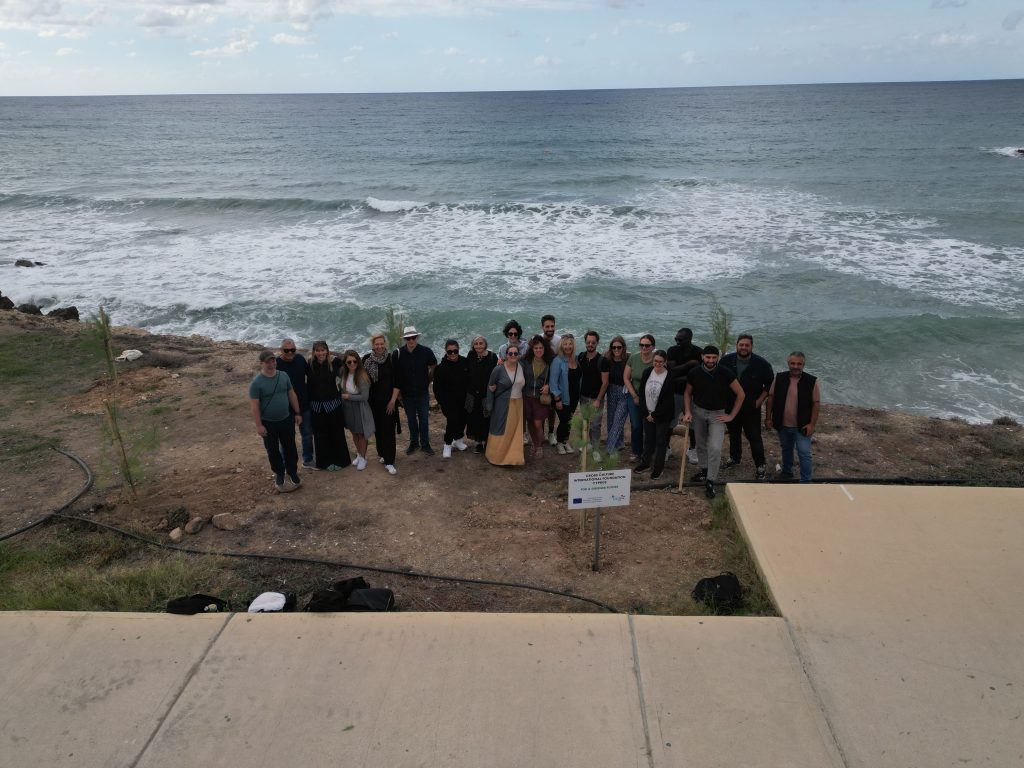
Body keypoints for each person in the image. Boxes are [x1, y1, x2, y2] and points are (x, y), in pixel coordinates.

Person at [683, 345, 745, 499]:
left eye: (713, 357)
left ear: (717, 358)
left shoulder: (725, 373)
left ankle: (711, 480)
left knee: (715, 447)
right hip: (698, 411)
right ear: (702, 357)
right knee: (700, 444)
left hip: (718, 414)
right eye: (708, 357)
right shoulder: (694, 372)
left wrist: (731, 416)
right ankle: (704, 470)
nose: (710, 360)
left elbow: (741, 394)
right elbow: (687, 393)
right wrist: (688, 411)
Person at [719, 334, 774, 480]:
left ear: (751, 347)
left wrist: (760, 400)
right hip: (730, 406)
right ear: (736, 345)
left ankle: (760, 465)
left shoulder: (761, 364)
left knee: (754, 437)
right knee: (734, 434)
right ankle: (734, 458)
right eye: (741, 344)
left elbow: (770, 384)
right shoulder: (725, 361)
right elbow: (719, 380)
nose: (743, 347)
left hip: (751, 407)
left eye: (746, 345)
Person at [248, 350, 303, 493]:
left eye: (273, 360)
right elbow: (254, 405)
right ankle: (279, 473)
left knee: (290, 448)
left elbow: (291, 394)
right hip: (268, 423)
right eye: (268, 361)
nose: (272, 363)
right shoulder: (256, 383)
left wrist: (297, 413)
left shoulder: (283, 376)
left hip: (286, 419)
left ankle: (292, 472)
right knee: (272, 451)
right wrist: (259, 425)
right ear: (262, 363)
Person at [765, 352, 821, 483]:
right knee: (786, 449)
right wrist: (768, 418)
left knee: (804, 453)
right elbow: (771, 398)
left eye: (799, 364)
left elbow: (816, 404)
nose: (795, 366)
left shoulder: (812, 381)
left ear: (803, 364)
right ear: (788, 363)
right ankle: (787, 472)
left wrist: (812, 424)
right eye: (793, 363)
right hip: (782, 424)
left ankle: (806, 481)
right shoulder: (779, 378)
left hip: (802, 426)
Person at [306, 340, 351, 471]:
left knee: (336, 433)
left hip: (333, 405)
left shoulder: (335, 362)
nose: (321, 353)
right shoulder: (310, 364)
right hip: (316, 406)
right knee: (320, 435)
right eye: (318, 350)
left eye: (323, 350)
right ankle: (324, 462)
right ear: (314, 352)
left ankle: (340, 461)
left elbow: (348, 366)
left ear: (327, 350)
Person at [395, 325, 437, 456]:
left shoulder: (426, 351)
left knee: (424, 419)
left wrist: (428, 380)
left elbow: (434, 365)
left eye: (413, 338)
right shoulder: (399, 353)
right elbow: (397, 375)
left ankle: (425, 444)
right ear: (405, 339)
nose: (411, 340)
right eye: (408, 338)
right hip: (407, 394)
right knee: (411, 420)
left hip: (422, 392)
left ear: (417, 337)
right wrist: (399, 394)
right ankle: (414, 443)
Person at [634, 350, 675, 480]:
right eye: (655, 361)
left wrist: (655, 415)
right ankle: (645, 463)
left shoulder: (670, 376)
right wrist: (646, 412)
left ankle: (658, 468)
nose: (657, 363)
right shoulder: (647, 372)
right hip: (647, 413)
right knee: (648, 440)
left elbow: (668, 400)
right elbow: (641, 392)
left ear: (665, 362)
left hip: (662, 415)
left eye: (660, 361)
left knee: (661, 441)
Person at [362, 333, 400, 475]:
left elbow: (398, 382)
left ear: (385, 344)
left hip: (389, 402)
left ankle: (390, 461)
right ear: (373, 345)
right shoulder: (366, 359)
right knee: (378, 430)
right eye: (376, 344)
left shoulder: (391, 359)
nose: (379, 346)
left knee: (388, 431)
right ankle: (383, 454)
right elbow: (361, 379)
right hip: (372, 403)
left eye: (381, 343)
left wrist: (392, 401)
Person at [484, 344, 526, 466]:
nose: (513, 355)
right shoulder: (498, 369)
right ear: (506, 355)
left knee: (515, 432)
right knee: (501, 430)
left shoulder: (521, 366)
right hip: (502, 404)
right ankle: (496, 457)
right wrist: (490, 405)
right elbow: (490, 387)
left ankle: (514, 458)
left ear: (518, 355)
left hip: (518, 403)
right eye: (510, 353)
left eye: (515, 353)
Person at [666, 328, 703, 464]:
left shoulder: (699, 352)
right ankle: (666, 447)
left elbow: (699, 374)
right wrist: (690, 364)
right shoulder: (672, 351)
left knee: (693, 424)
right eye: (676, 338)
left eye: (680, 339)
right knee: (670, 422)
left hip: (693, 394)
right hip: (675, 392)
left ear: (690, 339)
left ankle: (693, 449)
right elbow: (673, 371)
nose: (677, 341)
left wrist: (685, 377)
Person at [276, 338, 314, 468]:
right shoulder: (276, 364)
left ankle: (308, 460)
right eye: (287, 350)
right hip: (285, 408)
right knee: (286, 438)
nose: (290, 352)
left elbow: (311, 375)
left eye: (293, 350)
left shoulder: (300, 359)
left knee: (307, 435)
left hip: (303, 404)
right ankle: (287, 464)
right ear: (281, 350)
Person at [433, 339, 471, 458]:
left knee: (463, 420)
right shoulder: (440, 368)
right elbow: (436, 388)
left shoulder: (465, 362)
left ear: (458, 350)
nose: (453, 353)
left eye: (455, 351)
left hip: (464, 400)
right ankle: (447, 444)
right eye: (450, 352)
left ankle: (458, 441)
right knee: (452, 422)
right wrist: (442, 402)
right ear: (446, 352)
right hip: (448, 402)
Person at [339, 350, 376, 471]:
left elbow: (365, 397)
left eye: (355, 361)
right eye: (349, 361)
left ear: (358, 362)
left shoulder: (362, 376)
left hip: (359, 407)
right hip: (348, 408)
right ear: (345, 363)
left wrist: (348, 397)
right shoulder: (343, 373)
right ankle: (359, 455)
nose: (352, 363)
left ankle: (363, 458)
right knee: (353, 433)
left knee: (361, 434)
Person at [577, 330, 610, 460]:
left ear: (597, 343)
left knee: (596, 424)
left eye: (593, 342)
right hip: (583, 396)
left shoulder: (602, 361)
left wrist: (598, 399)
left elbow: (605, 382)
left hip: (596, 398)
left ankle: (596, 449)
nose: (590, 344)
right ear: (585, 342)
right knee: (585, 422)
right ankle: (586, 444)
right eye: (588, 342)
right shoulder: (580, 357)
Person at [623, 334, 656, 462]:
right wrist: (634, 396)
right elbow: (626, 378)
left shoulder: (657, 360)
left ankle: (649, 452)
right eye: (641, 345)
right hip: (635, 396)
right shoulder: (634, 358)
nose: (644, 347)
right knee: (636, 426)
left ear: (653, 346)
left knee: (649, 426)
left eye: (647, 345)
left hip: (652, 398)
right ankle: (636, 451)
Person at [521, 335, 553, 460]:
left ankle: (539, 445)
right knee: (530, 422)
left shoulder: (550, 362)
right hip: (527, 396)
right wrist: (501, 360)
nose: (538, 350)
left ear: (544, 348)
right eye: (536, 348)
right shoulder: (525, 361)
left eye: (540, 347)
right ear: (532, 349)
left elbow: (556, 379)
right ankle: (535, 444)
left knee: (538, 423)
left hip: (541, 398)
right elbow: (512, 362)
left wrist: (549, 386)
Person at [465, 335, 498, 453]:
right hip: (473, 394)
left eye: (481, 343)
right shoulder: (470, 355)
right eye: (476, 344)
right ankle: (479, 443)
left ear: (485, 344)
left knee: (487, 418)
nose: (478, 346)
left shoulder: (492, 356)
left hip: (487, 393)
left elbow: (497, 373)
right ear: (473, 346)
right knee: (475, 418)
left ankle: (488, 442)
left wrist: (495, 386)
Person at [550, 334, 581, 455]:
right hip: (562, 398)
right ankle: (559, 442)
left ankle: (565, 441)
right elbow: (553, 382)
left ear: (573, 345)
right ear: (561, 346)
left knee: (569, 420)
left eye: (570, 344)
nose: (568, 346)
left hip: (574, 397)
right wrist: (557, 399)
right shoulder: (557, 361)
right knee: (564, 420)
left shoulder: (576, 359)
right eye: (565, 344)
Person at [604, 336, 630, 454]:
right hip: (611, 391)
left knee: (618, 419)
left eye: (619, 347)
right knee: (610, 420)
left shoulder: (629, 359)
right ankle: (619, 443)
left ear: (623, 348)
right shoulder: (607, 359)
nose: (616, 349)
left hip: (624, 392)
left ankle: (609, 448)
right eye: (613, 347)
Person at [540, 314, 562, 446]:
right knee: (541, 406)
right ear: (542, 327)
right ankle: (541, 434)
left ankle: (551, 433)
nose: (550, 329)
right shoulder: (537, 339)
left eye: (552, 326)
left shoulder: (559, 341)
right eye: (547, 326)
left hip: (554, 378)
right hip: (540, 378)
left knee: (552, 408)